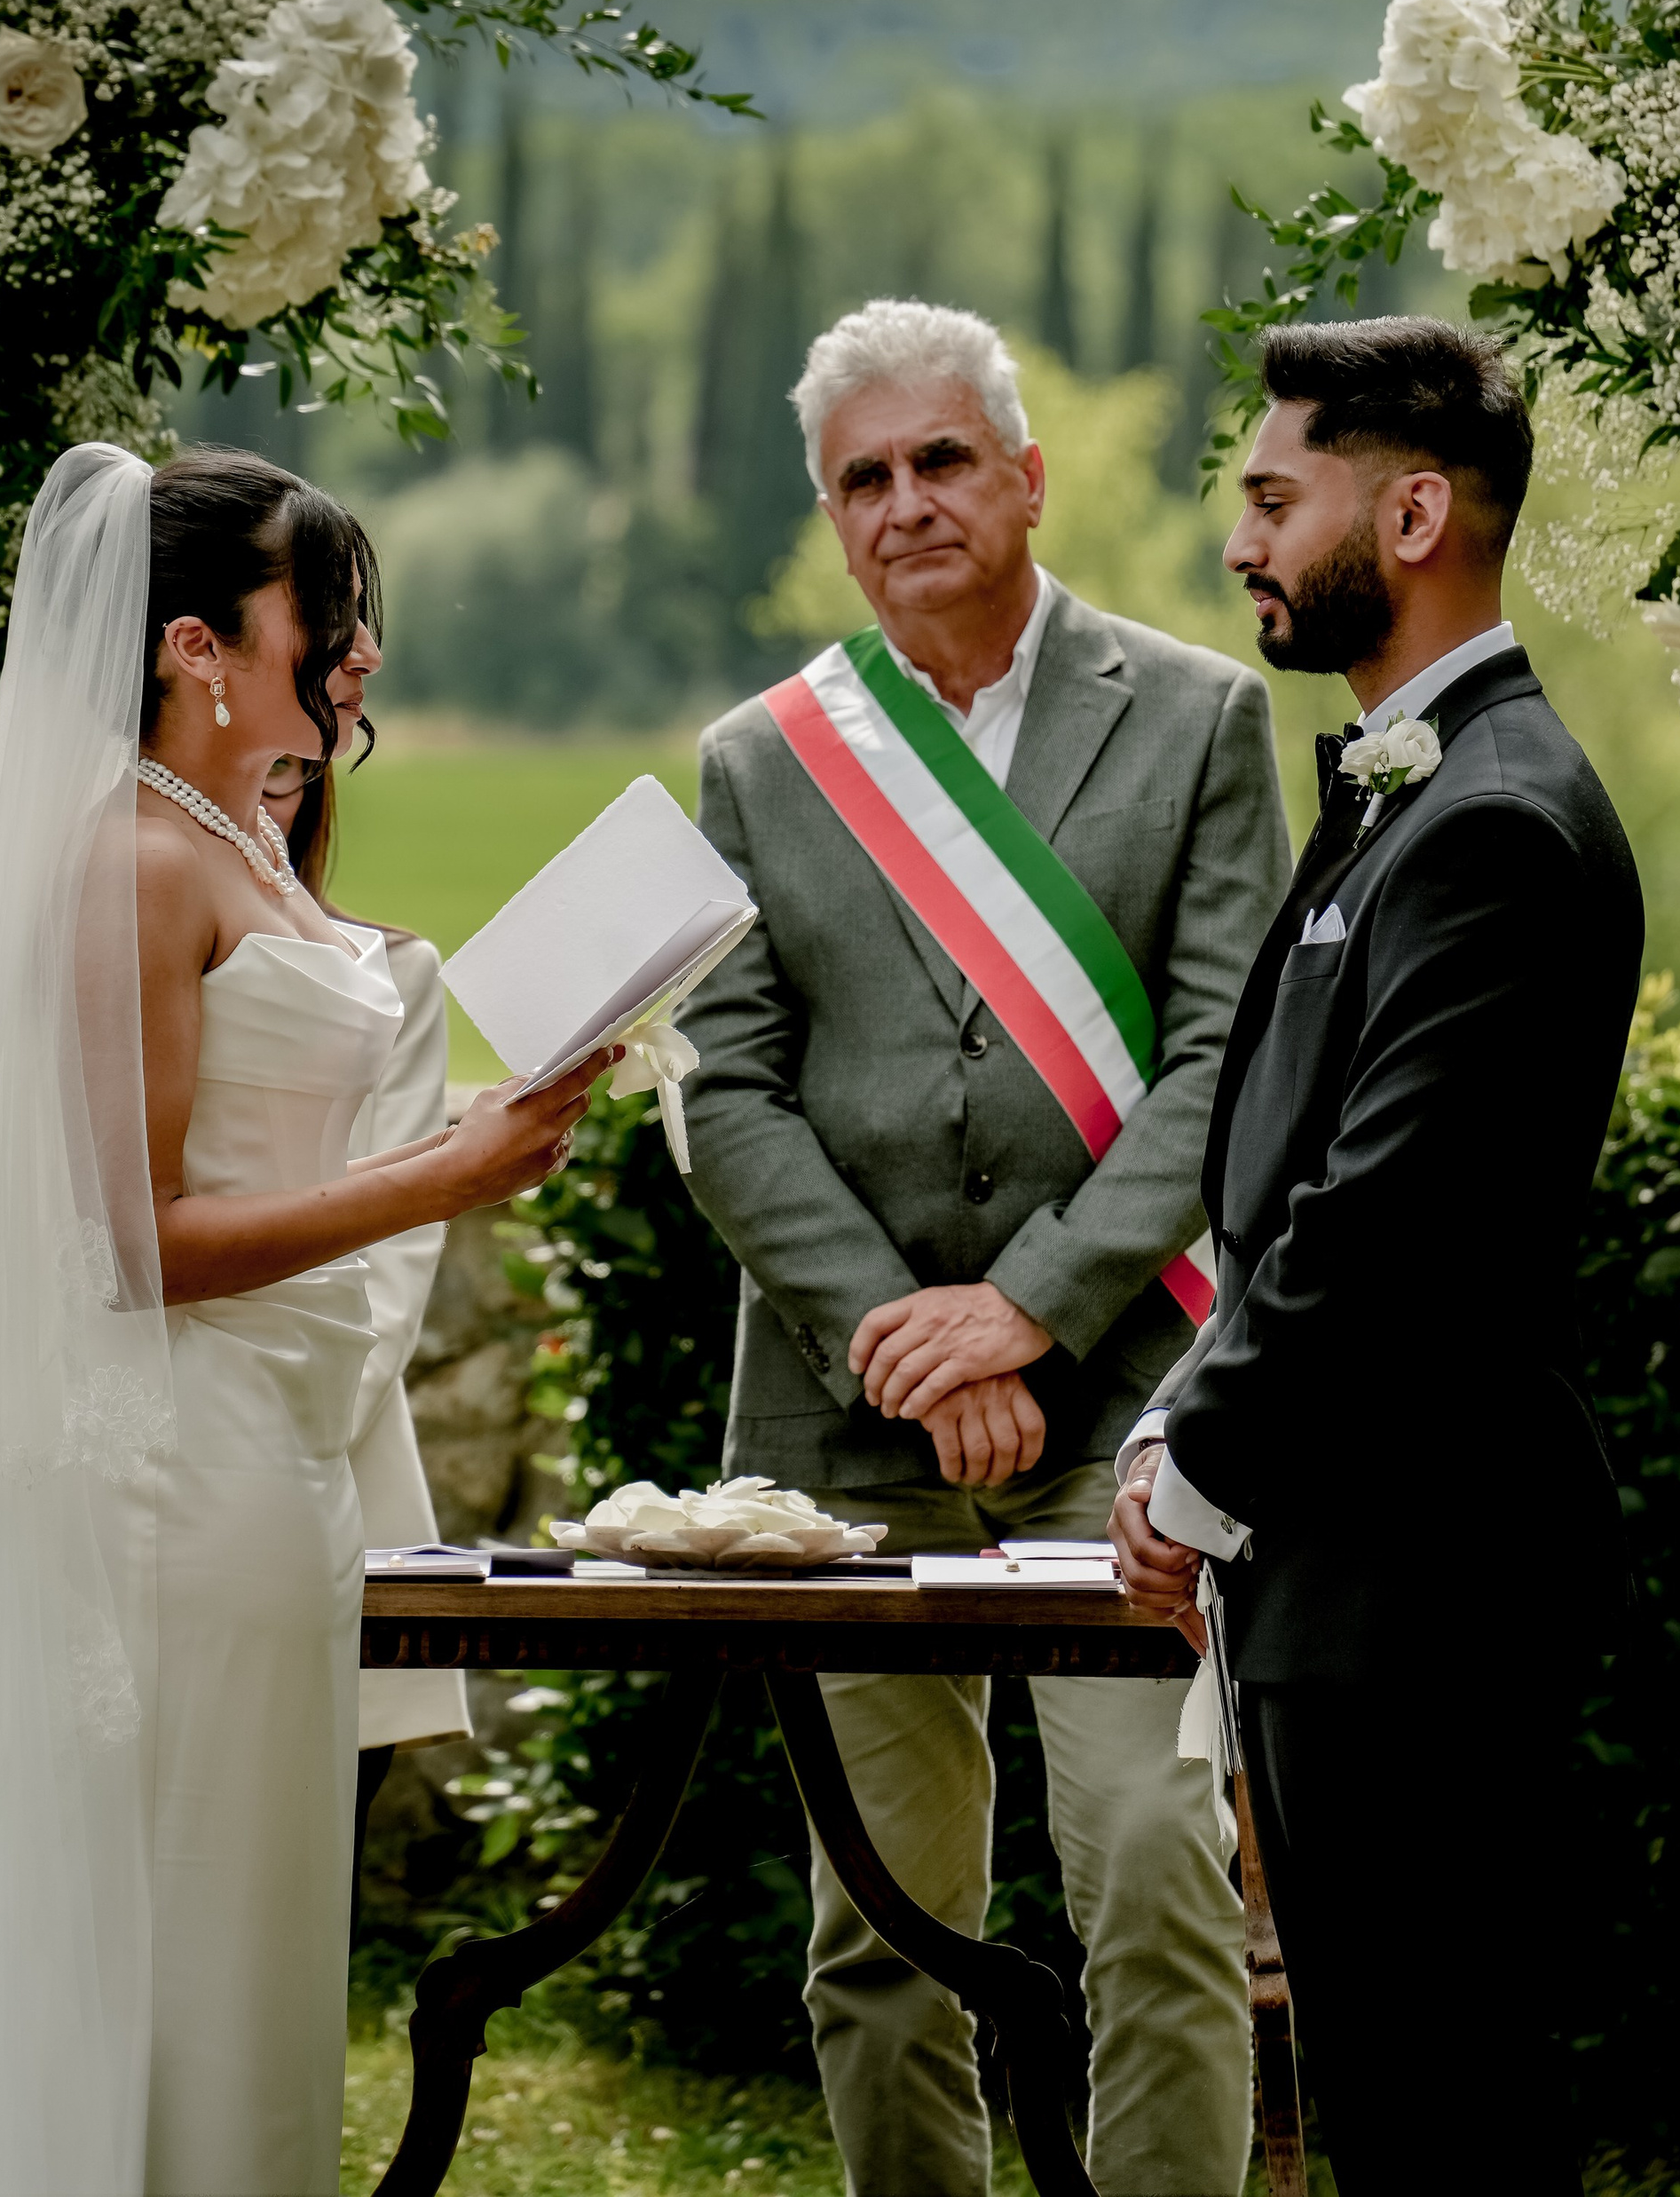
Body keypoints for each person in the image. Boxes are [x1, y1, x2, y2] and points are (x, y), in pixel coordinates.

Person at [0, 444, 611, 2197]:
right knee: (167, 1936)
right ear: (199, 645)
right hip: (168, 1472)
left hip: (271, 1460)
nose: (360, 653)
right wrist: (439, 1179)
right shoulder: (133, 865)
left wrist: (483, 1118)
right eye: (324, 614)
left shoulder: (239, 836)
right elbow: (134, 1240)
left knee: (248, 1936)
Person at [680, 301, 1289, 2197]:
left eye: (940, 458)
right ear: (827, 517)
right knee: (876, 1932)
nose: (905, 501)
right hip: (844, 1442)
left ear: (1023, 476)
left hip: (1126, 1424)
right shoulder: (763, 759)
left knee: (1153, 1892)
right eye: (860, 475)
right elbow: (722, 1089)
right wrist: (903, 1336)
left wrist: (1022, 1312)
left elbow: (1226, 1062)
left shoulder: (1193, 715)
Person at [1107, 317, 1641, 2196]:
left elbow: (1387, 1210)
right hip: (1353, 1565)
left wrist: (1197, 1449)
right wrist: (1182, 1406)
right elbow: (1285, 1181)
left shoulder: (1490, 819)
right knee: (1392, 2096)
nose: (1239, 541)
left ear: (1410, 510)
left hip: (1431, 1570)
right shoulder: (1406, 789)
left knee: (1446, 2108)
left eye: (1271, 498)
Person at [259, 757, 472, 1894]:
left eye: (292, 773)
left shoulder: (394, 972)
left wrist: (263, 1434)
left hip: (328, 1463)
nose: (256, 797)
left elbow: (391, 1262)